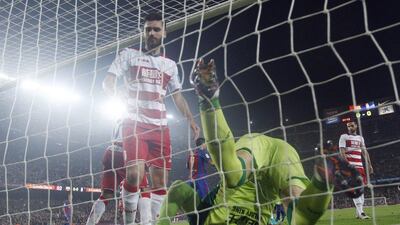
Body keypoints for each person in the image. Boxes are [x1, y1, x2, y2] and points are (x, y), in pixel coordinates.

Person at [156, 59, 363, 225]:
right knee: (299, 216)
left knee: (233, 176)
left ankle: (209, 101)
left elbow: (178, 190)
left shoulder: (203, 220)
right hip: (276, 169)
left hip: (257, 153)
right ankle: (322, 181)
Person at [102, 12, 200, 224]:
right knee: (134, 176)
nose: (152, 33)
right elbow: (108, 81)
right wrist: (115, 94)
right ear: (143, 32)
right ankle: (129, 221)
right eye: (148, 29)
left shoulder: (170, 65)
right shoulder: (129, 55)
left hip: (161, 128)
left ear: (164, 32)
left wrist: (191, 119)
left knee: (160, 182)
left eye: (156, 29)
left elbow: (178, 96)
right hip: (135, 123)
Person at [86, 123, 151, 225]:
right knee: (144, 189)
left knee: (106, 195)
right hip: (130, 151)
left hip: (111, 151)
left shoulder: (119, 119)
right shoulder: (138, 115)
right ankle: (147, 222)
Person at [339, 121, 374, 219]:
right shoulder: (344, 137)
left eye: (352, 125)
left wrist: (369, 164)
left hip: (360, 167)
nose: (350, 127)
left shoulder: (360, 138)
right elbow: (342, 153)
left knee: (361, 189)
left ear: (356, 126)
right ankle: (361, 212)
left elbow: (364, 152)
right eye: (348, 126)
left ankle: (358, 212)